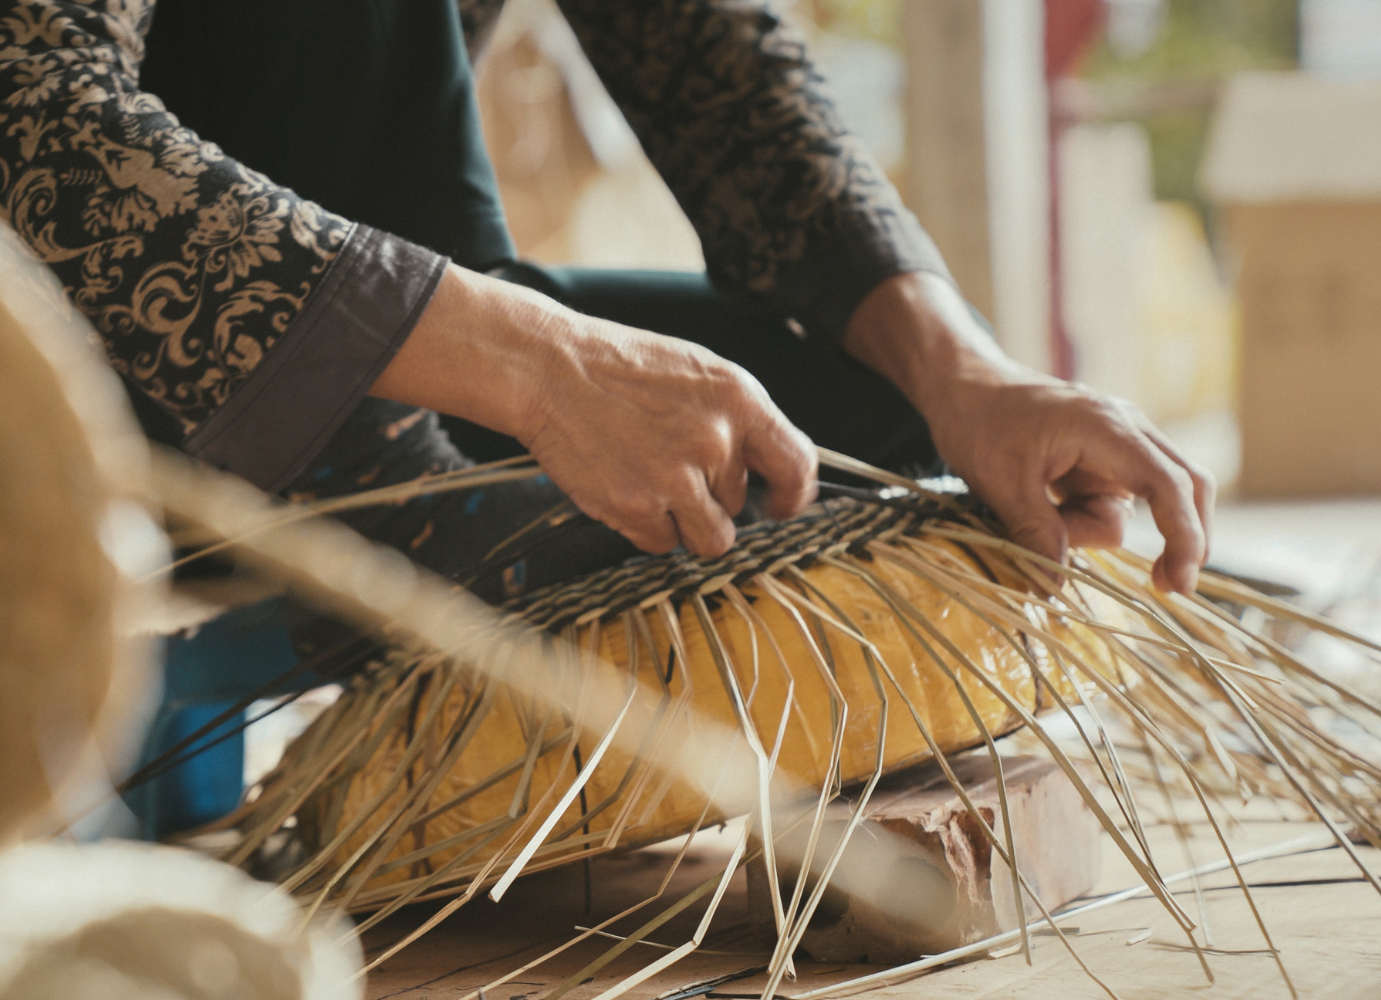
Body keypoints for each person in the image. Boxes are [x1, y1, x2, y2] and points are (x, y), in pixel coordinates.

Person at [0, 0, 1212, 604]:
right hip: (68, 394)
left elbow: (715, 66)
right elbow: (32, 122)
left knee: (883, 438)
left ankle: (423, 469)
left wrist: (967, 374)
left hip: (395, 317)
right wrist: (541, 367)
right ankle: (398, 486)